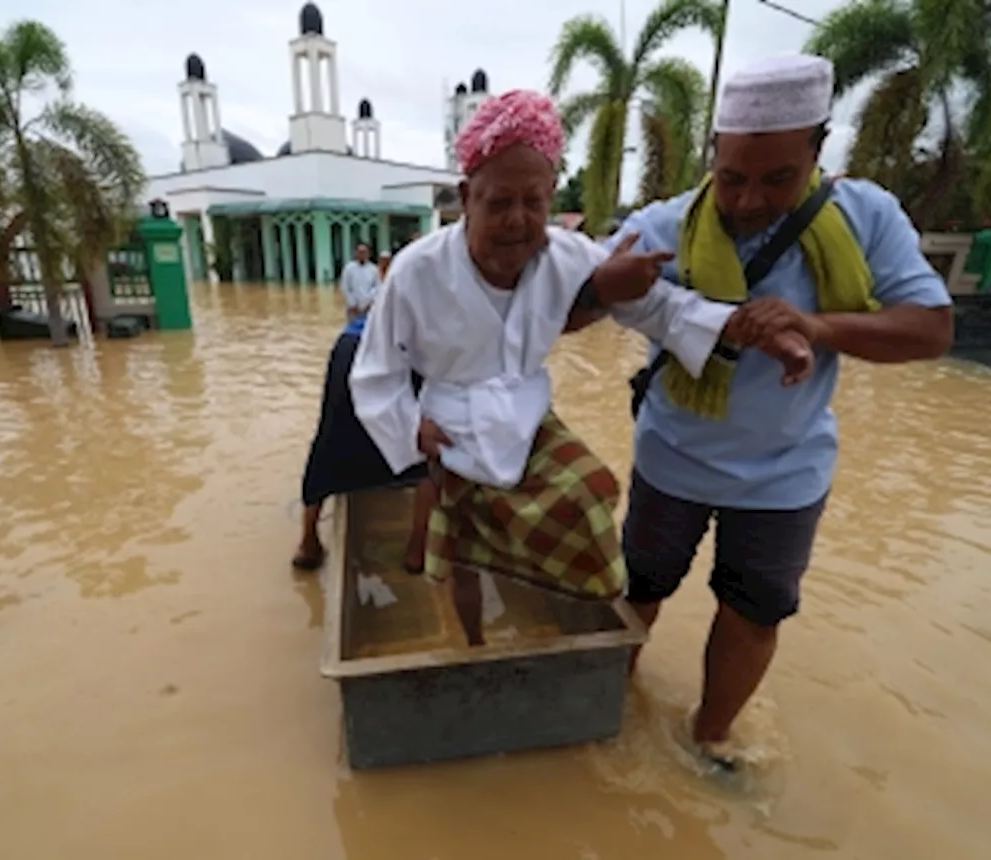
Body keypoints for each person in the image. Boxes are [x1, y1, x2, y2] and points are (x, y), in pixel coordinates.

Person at [349, 89, 813, 644]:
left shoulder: (567, 255)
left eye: (533, 202)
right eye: (498, 203)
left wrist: (750, 330)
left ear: (551, 197)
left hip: (526, 412)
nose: (517, 221)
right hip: (448, 425)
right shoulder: (415, 270)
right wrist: (409, 429)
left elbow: (661, 307)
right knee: (462, 558)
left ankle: (555, 612)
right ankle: (469, 641)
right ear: (467, 198)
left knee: (592, 489)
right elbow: (375, 370)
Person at [613, 55, 954, 768]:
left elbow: (930, 329)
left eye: (776, 180)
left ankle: (709, 740)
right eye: (733, 177)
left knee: (754, 609)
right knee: (637, 588)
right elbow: (584, 293)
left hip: (785, 472)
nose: (745, 202)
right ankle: (606, 707)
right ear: (714, 157)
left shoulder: (867, 217)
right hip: (672, 456)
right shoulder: (667, 224)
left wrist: (820, 327)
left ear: (816, 151)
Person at [293, 310, 436, 573]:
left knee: (330, 438)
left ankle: (307, 543)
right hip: (410, 349)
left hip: (353, 345)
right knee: (428, 451)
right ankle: (417, 551)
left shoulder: (402, 279)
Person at [340, 244, 380, 322]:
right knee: (353, 330)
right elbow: (345, 287)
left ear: (369, 254)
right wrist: (353, 304)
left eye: (364, 252)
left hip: (369, 308)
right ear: (356, 253)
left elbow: (377, 288)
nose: (362, 254)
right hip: (353, 308)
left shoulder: (374, 269)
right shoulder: (348, 268)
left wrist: (368, 304)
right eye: (360, 252)